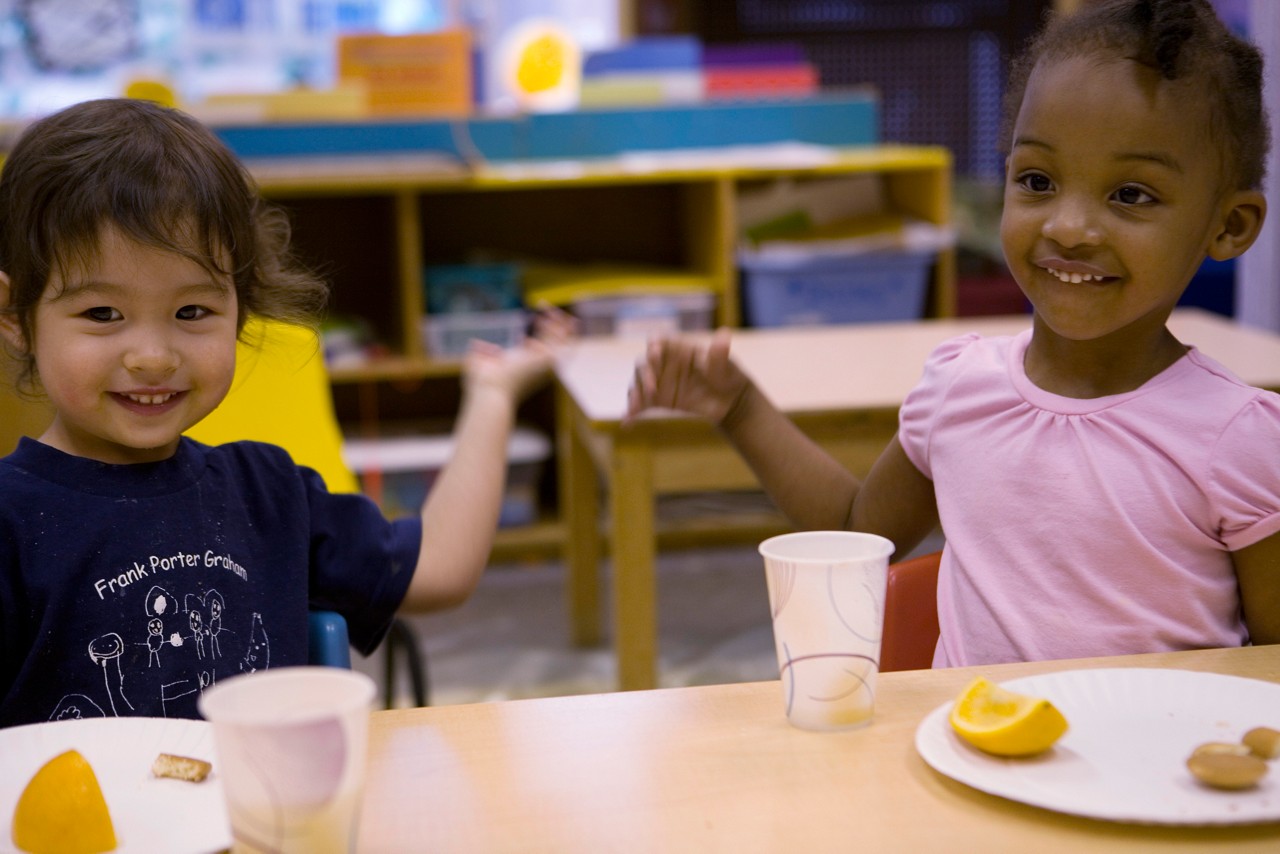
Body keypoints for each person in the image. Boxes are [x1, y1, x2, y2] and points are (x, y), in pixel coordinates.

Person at [627, 0, 1280, 668]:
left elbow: (1270, 664)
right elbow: (856, 531)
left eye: (1131, 195)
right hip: (971, 756)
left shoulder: (1241, 439)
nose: (1068, 227)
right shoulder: (961, 386)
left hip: (1147, 768)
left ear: (1228, 226)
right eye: (1036, 180)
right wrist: (741, 407)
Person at [0, 98, 565, 726]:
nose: (153, 357)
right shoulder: (9, 519)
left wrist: (493, 396)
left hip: (260, 820)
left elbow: (440, 570)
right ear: (16, 316)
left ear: (240, 307)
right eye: (102, 314)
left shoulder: (267, 494)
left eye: (192, 312)